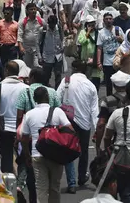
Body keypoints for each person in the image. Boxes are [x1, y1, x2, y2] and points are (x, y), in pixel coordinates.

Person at [21, 87, 71, 203]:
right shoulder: (58, 112)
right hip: (56, 155)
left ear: (34, 99)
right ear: (48, 97)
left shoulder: (29, 114)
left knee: (41, 188)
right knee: (54, 187)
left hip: (37, 154)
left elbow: (24, 138)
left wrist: (27, 155)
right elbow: (70, 129)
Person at [56, 60, 99, 189]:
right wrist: (96, 129)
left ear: (74, 69)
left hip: (67, 121)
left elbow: (57, 99)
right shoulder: (91, 85)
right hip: (85, 124)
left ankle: (71, 182)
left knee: (67, 150)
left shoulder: (66, 81)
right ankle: (81, 177)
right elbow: (94, 109)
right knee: (83, 151)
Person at [0, 61, 29, 173]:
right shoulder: (26, 88)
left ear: (6, 71)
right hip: (22, 128)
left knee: (6, 158)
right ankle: (21, 182)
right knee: (23, 156)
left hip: (4, 128)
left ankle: (8, 182)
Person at [94, 71, 130, 157]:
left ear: (113, 85)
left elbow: (101, 124)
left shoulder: (107, 101)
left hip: (116, 141)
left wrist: (98, 145)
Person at [97, 12, 124, 96]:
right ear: (104, 21)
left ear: (113, 20)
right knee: (109, 84)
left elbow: (125, 43)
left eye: (110, 19)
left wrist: (121, 39)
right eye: (106, 19)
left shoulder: (118, 29)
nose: (108, 20)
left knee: (119, 82)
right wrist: (98, 62)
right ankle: (109, 101)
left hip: (118, 61)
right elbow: (99, 48)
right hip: (107, 62)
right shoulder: (101, 32)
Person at [77, 15, 103, 91]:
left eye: (93, 24)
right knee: (86, 80)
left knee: (95, 80)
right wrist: (87, 32)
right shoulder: (83, 32)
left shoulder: (98, 33)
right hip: (85, 60)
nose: (92, 26)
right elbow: (81, 41)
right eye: (89, 25)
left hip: (95, 59)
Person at [17, 3, 44, 68]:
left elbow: (47, 30)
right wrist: (20, 47)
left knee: (37, 66)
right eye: (31, 9)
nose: (33, 11)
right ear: (27, 11)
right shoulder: (22, 22)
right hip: (26, 49)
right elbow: (19, 35)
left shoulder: (41, 21)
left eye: (34, 9)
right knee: (27, 67)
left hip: (37, 49)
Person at [41, 15, 64, 87]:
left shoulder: (59, 28)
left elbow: (63, 39)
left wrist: (63, 46)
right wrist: (39, 56)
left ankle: (58, 92)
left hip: (58, 56)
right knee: (46, 76)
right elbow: (37, 43)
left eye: (54, 24)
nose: (52, 26)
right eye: (51, 24)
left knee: (58, 75)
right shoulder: (43, 30)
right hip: (47, 56)